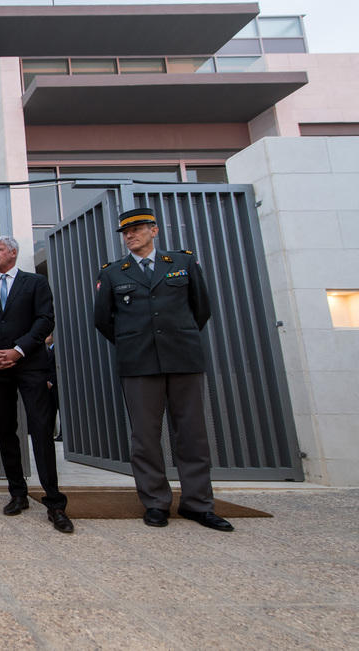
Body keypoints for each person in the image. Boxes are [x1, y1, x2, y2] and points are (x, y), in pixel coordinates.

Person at [93, 207, 233, 532]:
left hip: (183, 358)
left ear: (154, 231)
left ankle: (198, 504)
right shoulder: (113, 273)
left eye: (138, 229)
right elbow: (103, 320)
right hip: (139, 363)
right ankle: (155, 502)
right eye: (126, 232)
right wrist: (133, 343)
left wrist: (176, 338)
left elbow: (202, 308)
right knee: (144, 437)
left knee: (193, 434)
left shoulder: (181, 263)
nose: (131, 235)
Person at [0, 236, 74, 534]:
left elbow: (45, 320)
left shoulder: (35, 284)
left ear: (13, 253)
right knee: (5, 430)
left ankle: (55, 502)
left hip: (30, 366)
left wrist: (18, 351)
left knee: (41, 431)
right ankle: (18, 494)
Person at [45, 334, 62, 442]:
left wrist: (51, 382)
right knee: (51, 411)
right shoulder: (48, 350)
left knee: (60, 410)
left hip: (55, 386)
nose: (45, 338)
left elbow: (57, 367)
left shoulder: (56, 349)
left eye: (47, 336)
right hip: (49, 387)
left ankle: (62, 434)